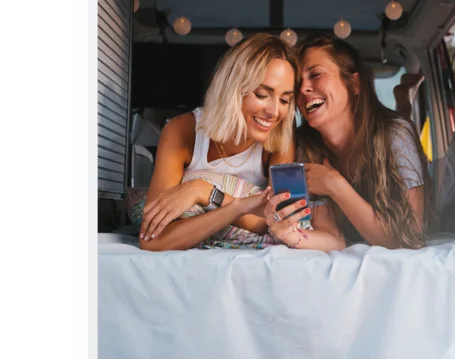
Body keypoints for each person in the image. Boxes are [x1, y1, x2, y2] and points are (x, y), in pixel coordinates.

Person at [138, 33, 344, 252]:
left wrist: (203, 192)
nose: (274, 112)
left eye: (285, 100)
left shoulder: (279, 140)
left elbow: (273, 222)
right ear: (232, 89)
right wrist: (239, 208)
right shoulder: (182, 131)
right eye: (262, 94)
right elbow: (153, 239)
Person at [267, 36, 436, 250]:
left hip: (390, 132)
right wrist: (290, 235)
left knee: (401, 122)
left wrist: (335, 185)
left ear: (354, 83)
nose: (303, 89)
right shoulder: (306, 147)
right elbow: (331, 236)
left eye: (316, 74)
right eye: (298, 84)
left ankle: (404, 102)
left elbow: (410, 236)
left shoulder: (395, 133)